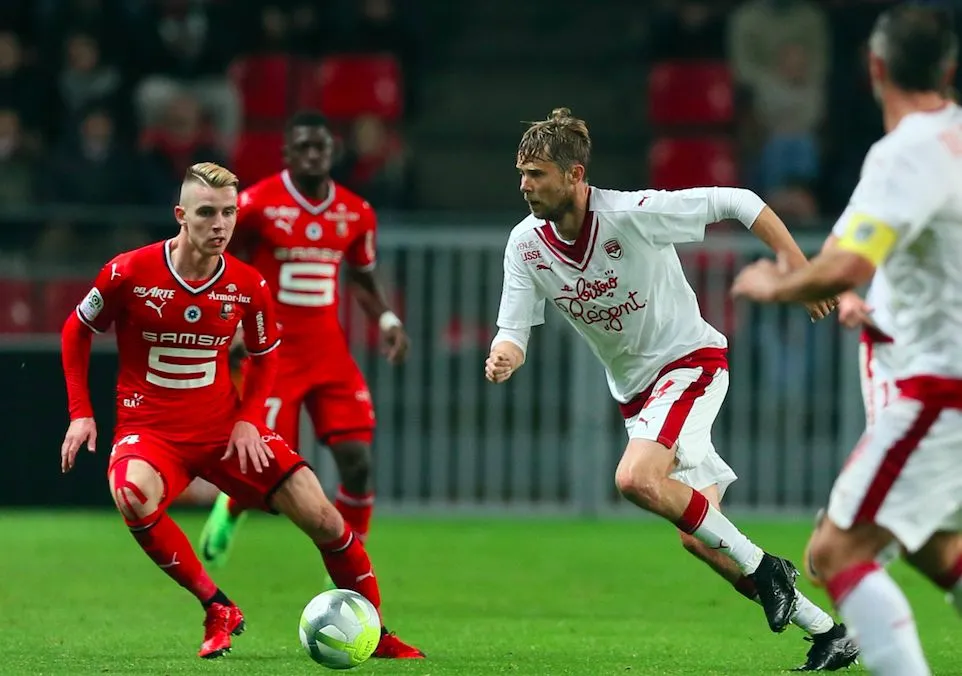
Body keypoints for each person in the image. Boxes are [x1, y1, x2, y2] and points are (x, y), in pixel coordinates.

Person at [486, 107, 856, 671]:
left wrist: (800, 273)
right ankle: (830, 633)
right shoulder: (525, 245)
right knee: (701, 538)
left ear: (575, 175)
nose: (525, 185)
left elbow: (740, 202)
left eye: (536, 173)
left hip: (689, 363)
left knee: (634, 478)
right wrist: (504, 355)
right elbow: (513, 329)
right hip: (637, 396)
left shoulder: (633, 213)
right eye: (522, 173)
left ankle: (766, 568)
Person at [59, 162, 424, 660]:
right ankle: (216, 607)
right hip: (151, 431)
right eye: (207, 212)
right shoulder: (129, 271)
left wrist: (250, 418)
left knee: (323, 516)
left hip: (223, 430)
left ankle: (376, 633)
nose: (221, 224)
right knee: (129, 494)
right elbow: (76, 329)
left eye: (229, 213)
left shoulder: (248, 285)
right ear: (180, 215)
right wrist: (82, 412)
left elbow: (265, 354)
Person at [732, 6, 962, 673]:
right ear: (947, 69)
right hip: (935, 379)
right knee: (931, 547)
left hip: (937, 387)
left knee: (833, 553)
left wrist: (772, 284)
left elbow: (848, 264)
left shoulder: (905, 152)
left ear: (875, 69)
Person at [198, 111, 409, 567]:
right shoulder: (255, 205)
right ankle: (230, 508)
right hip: (273, 352)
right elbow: (220, 268)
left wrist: (389, 320)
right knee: (265, 473)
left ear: (332, 153)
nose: (314, 155)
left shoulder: (357, 212)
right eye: (304, 148)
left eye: (322, 147)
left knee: (357, 461)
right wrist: (230, 325)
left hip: (328, 352)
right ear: (287, 153)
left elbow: (364, 280)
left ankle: (353, 562)